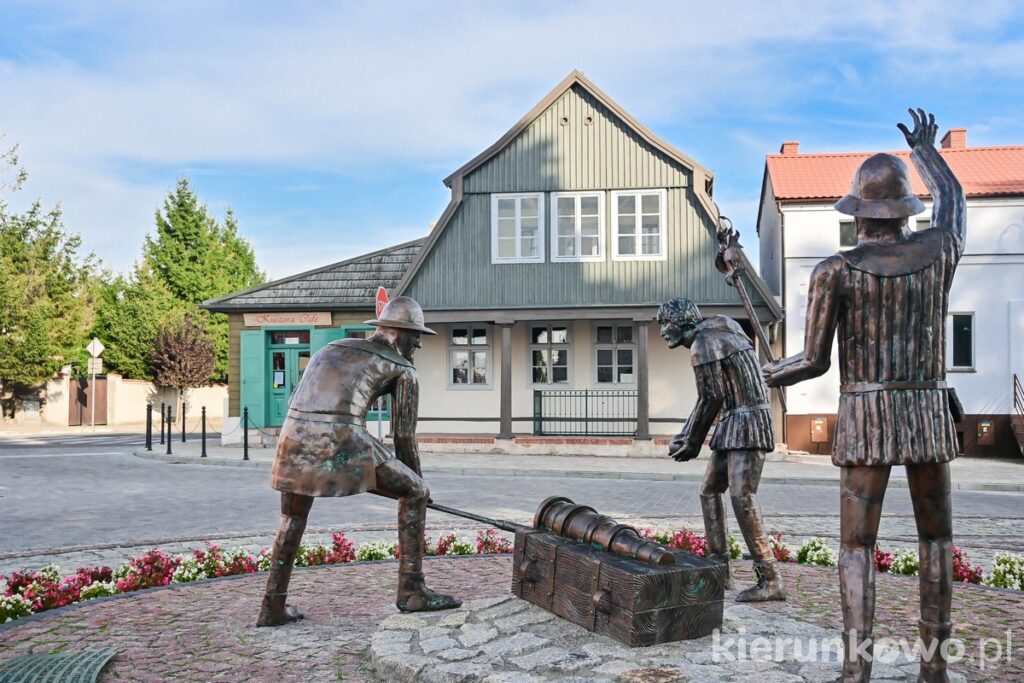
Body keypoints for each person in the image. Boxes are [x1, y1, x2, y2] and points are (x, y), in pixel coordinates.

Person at [763, 109, 963, 683]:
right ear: (904, 212)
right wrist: (927, 153)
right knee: (937, 539)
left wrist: (771, 372)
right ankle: (935, 671)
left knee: (855, 547)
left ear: (857, 213)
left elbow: (813, 360)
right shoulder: (940, 252)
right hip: (926, 414)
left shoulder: (836, 271)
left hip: (867, 417)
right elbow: (955, 203)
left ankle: (857, 671)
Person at [256, 296, 461, 627]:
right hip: (342, 435)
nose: (419, 343)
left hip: (294, 436)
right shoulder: (403, 368)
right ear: (399, 333)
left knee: (291, 517)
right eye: (416, 335)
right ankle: (412, 591)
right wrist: (418, 485)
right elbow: (404, 437)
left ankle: (271, 607)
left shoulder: (331, 348)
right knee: (416, 492)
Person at [658, 298, 784, 602]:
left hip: (747, 420)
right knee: (710, 490)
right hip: (734, 419)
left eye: (666, 323)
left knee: (742, 497)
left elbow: (711, 396)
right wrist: (687, 434)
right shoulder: (721, 329)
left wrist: (692, 441)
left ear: (684, 322)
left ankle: (770, 579)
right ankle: (718, 569)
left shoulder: (704, 344)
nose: (662, 330)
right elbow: (711, 398)